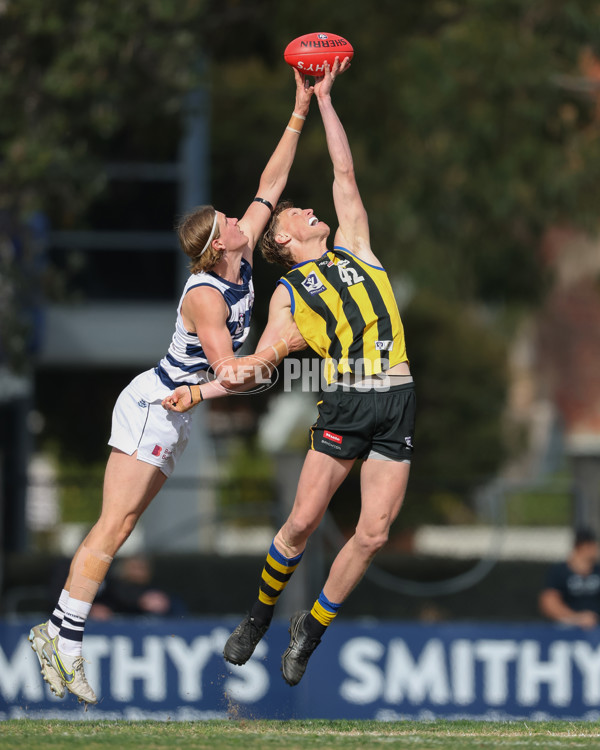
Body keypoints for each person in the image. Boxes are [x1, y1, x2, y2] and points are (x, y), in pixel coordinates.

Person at [28, 69, 314, 706]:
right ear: (218, 246)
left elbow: (273, 181)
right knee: (113, 525)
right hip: (156, 404)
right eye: (228, 221)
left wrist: (299, 111)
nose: (241, 218)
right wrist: (283, 347)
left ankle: (60, 633)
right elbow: (229, 373)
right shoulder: (210, 293)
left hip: (178, 410)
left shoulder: (235, 260)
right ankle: (61, 638)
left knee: (122, 526)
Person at [163, 56, 415, 687]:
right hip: (347, 405)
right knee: (302, 523)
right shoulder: (290, 292)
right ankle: (259, 615)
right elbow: (258, 362)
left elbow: (344, 170)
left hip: (399, 399)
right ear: (285, 240)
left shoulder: (356, 244)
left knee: (375, 532)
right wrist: (201, 386)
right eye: (296, 212)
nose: (307, 209)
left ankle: (312, 629)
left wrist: (324, 100)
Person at [539, 527, 600, 629]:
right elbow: (549, 602)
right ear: (583, 546)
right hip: (567, 632)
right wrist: (576, 618)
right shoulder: (560, 571)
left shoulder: (597, 571)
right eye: (593, 545)